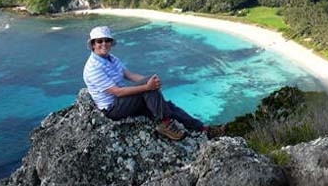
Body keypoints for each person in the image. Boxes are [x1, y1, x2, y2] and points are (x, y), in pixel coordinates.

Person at [82, 25, 224, 140]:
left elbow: (129, 75)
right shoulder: (93, 67)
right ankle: (164, 123)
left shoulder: (111, 58)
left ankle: (203, 129)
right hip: (113, 108)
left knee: (168, 106)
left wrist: (151, 81)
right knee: (149, 89)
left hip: (124, 101)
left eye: (107, 40)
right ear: (93, 44)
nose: (104, 44)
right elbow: (117, 92)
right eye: (99, 41)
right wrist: (147, 86)